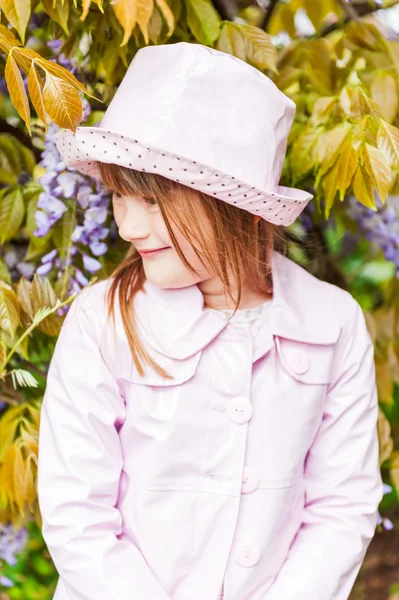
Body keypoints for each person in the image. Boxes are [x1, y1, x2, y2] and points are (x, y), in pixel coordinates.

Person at [37, 42, 384, 600]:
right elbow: (78, 515)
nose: (127, 227)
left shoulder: (331, 323)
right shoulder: (103, 320)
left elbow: (341, 507)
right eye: (119, 198)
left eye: (152, 201)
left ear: (231, 204)